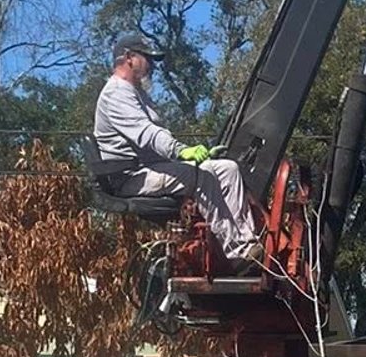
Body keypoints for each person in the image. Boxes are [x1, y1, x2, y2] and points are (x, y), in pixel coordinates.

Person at [92, 29, 259, 263]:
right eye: (147, 58)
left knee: (227, 168)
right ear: (129, 57)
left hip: (153, 168)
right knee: (201, 177)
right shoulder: (116, 93)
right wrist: (181, 151)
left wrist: (191, 157)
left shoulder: (135, 92)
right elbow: (147, 134)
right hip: (132, 177)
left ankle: (247, 242)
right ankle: (234, 252)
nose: (152, 65)